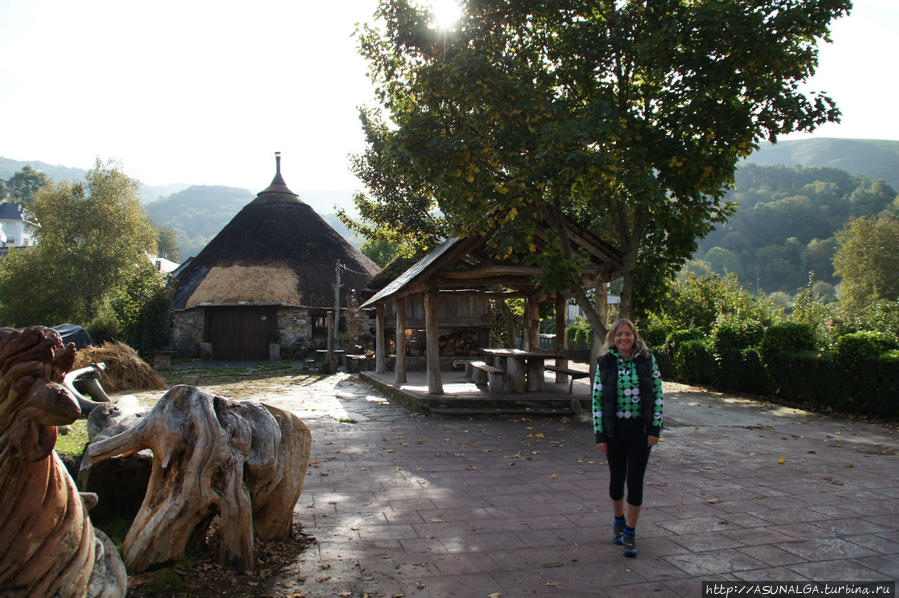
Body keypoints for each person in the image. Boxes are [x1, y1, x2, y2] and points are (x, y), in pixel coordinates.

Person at [592, 318, 663, 558]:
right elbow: (597, 400)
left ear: (635, 337)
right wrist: (600, 433)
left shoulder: (647, 360)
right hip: (615, 431)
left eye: (628, 334)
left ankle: (630, 533)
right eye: (619, 335)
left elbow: (658, 394)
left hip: (640, 432)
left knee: (635, 481)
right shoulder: (605, 363)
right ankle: (619, 520)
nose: (623, 338)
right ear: (612, 338)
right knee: (616, 479)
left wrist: (655, 428)